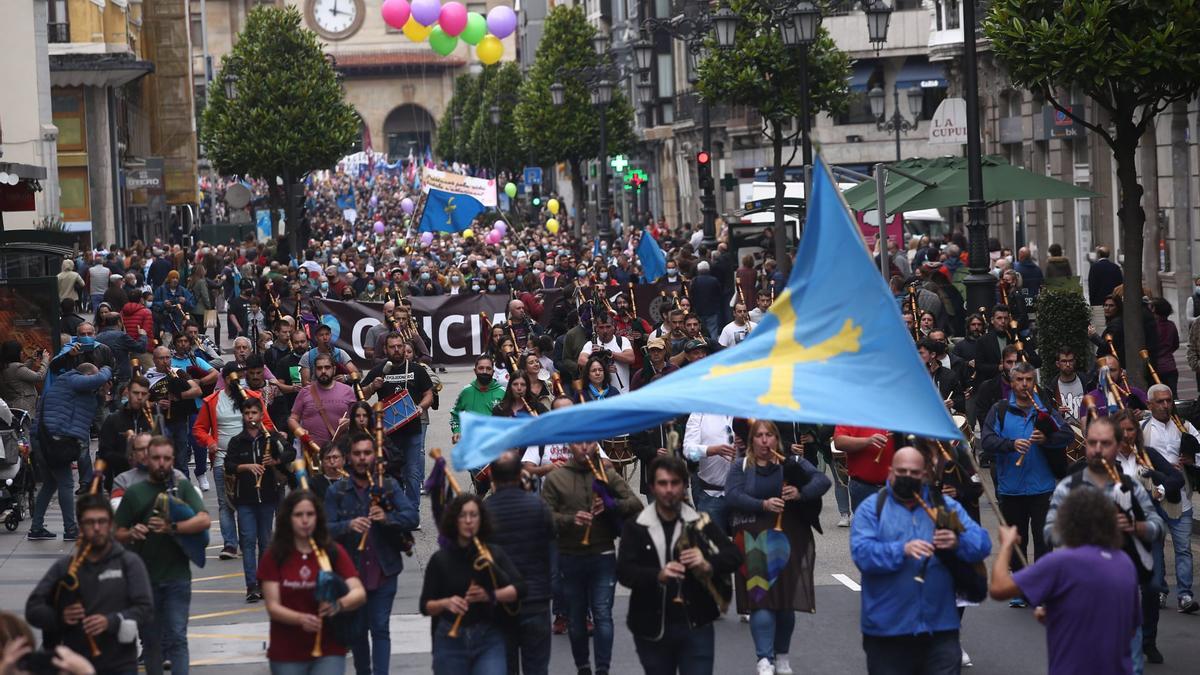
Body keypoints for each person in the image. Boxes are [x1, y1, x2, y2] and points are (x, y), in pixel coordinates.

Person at [850, 447, 991, 675]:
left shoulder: (943, 509)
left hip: (940, 627)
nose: (907, 476)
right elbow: (862, 555)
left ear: (925, 473)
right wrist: (902, 549)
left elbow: (981, 545)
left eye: (914, 472)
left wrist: (957, 542)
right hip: (888, 629)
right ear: (890, 471)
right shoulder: (873, 509)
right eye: (901, 471)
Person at [1040, 416, 1163, 670]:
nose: (1097, 449)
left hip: (1123, 592)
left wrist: (1135, 526)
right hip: (1080, 592)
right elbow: (1050, 532)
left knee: (1130, 664)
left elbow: (1157, 527)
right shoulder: (1069, 486)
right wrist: (1084, 530)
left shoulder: (1130, 487)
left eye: (1105, 443)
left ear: (1118, 445)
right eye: (1092, 442)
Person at [990, 487, 1139, 675]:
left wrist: (1006, 546)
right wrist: (1061, 616)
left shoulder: (1061, 563)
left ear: (1068, 521)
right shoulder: (1124, 563)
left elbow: (998, 588)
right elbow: (1130, 629)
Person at [616, 454, 742, 675]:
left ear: (684, 486)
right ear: (652, 488)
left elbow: (734, 556)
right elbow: (625, 572)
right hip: (652, 627)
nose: (669, 489)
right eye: (662, 483)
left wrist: (707, 564)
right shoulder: (636, 526)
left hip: (697, 623)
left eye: (675, 483)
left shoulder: (700, 522)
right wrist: (658, 575)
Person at [725, 421, 830, 675]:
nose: (764, 441)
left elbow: (822, 481)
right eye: (759, 436)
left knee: (784, 603)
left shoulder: (791, 461)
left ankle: (782, 656)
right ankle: (764, 659)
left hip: (790, 537)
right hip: (753, 537)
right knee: (761, 599)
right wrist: (762, 505)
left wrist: (799, 492)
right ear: (751, 440)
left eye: (768, 435)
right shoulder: (741, 465)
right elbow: (732, 495)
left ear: (776, 439)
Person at [541, 441, 643, 675]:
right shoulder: (557, 478)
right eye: (579, 443)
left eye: (589, 443)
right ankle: (583, 667)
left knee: (602, 613)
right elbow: (544, 517)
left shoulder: (605, 474)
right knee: (576, 618)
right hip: (570, 555)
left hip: (603, 554)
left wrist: (611, 505)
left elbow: (634, 503)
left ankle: (603, 669)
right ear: (570, 447)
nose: (584, 448)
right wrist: (570, 519)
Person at [25, 492, 153, 675]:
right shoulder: (66, 567)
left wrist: (111, 621)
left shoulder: (128, 563)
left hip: (120, 665)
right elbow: (33, 609)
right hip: (74, 664)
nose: (97, 528)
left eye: (102, 521)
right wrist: (60, 616)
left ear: (111, 525)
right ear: (81, 527)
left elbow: (145, 608)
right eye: (90, 522)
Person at [114, 435, 211, 675]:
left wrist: (173, 528)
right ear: (147, 459)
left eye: (167, 458)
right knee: (152, 642)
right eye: (156, 458)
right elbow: (115, 533)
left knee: (178, 637)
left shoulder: (182, 486)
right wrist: (131, 533)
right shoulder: (135, 492)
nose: (161, 463)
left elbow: (204, 519)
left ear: (173, 460)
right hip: (145, 580)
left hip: (177, 576)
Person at [325, 433, 419, 675]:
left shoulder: (388, 486)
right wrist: (347, 526)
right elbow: (323, 530)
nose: (362, 458)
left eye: (367, 453)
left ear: (374, 457)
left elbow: (411, 517)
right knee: (357, 631)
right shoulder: (337, 491)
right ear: (348, 458)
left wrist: (387, 518)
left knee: (380, 628)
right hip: (351, 574)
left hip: (384, 570)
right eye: (357, 454)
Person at [980, 360, 1071, 604]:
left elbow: (1068, 435)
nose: (1024, 385)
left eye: (1029, 380)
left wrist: (1047, 438)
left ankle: (1040, 588)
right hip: (1011, 488)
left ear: (1034, 382)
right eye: (1019, 380)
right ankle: (1020, 588)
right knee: (1017, 541)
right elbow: (987, 441)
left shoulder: (1044, 411)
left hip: (1042, 486)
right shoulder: (999, 410)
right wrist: (1010, 445)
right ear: (1011, 383)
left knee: (1044, 541)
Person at [259, 489, 367, 675]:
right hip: (287, 651)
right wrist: (300, 619)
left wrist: (338, 605)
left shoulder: (332, 551)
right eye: (298, 515)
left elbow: (358, 592)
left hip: (328, 648)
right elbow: (273, 607)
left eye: (310, 514)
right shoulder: (274, 555)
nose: (305, 520)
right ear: (288, 518)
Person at [420, 493, 524, 675]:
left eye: (474, 515)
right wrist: (445, 603)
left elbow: (520, 588)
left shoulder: (493, 553)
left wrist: (491, 595)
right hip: (450, 640)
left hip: (488, 636)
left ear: (481, 519)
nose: (468, 521)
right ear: (454, 520)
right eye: (463, 515)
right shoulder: (440, 559)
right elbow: (425, 605)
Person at [194, 363, 276, 559]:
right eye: (233, 377)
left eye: (240, 376)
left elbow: (267, 424)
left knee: (251, 501)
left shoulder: (252, 399)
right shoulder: (212, 401)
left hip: (253, 458)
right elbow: (199, 428)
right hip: (223, 458)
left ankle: (253, 538)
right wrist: (210, 443)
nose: (237, 380)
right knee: (225, 502)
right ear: (225, 378)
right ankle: (230, 544)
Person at [484, 451, 555, 675]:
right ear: (520, 475)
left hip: (501, 602)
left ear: (492, 478)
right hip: (536, 599)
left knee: (506, 666)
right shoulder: (538, 507)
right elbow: (551, 545)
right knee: (537, 667)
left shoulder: (485, 512)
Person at [28, 362, 112, 541]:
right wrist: (107, 370)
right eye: (94, 378)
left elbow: (93, 406)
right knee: (66, 484)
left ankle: (36, 528)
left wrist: (102, 392)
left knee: (50, 484)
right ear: (86, 376)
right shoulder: (71, 379)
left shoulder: (75, 389)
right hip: (53, 441)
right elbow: (100, 377)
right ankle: (71, 529)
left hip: (45, 440)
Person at [1140, 384, 1200, 615]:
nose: (1166, 405)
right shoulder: (1141, 429)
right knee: (1155, 547)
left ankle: (1185, 594)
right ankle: (1160, 590)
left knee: (1183, 548)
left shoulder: (1183, 427)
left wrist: (1190, 458)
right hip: (1153, 498)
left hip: (1181, 497)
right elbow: (1134, 459)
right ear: (1149, 405)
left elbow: (1198, 450)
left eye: (1168, 401)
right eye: (1160, 402)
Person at [226, 397, 292, 603]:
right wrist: (245, 467)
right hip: (245, 498)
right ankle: (251, 585)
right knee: (247, 541)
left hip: (267, 496)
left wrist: (275, 460)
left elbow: (291, 451)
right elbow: (228, 464)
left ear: (261, 414)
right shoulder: (237, 441)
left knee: (265, 542)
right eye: (247, 414)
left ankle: (264, 582)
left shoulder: (270, 438)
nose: (250, 417)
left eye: (254, 413)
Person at [360, 332, 435, 507]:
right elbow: (359, 395)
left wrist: (421, 407)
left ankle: (412, 511)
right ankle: (394, 509)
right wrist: (372, 386)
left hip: (412, 431)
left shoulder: (417, 369)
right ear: (385, 349)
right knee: (390, 473)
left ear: (404, 347)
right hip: (387, 434)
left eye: (399, 346)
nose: (396, 350)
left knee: (412, 473)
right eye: (392, 347)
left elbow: (429, 394)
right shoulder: (379, 370)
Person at [97, 375, 160, 490]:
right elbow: (104, 452)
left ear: (148, 396)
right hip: (120, 481)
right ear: (128, 393)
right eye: (136, 393)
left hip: (149, 481)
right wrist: (129, 458)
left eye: (143, 394)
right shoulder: (113, 419)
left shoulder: (154, 420)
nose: (139, 397)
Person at [682, 411, 737, 532]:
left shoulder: (743, 408)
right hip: (711, 495)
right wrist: (711, 450)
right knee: (712, 547)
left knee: (744, 547)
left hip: (742, 495)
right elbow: (688, 452)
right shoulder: (699, 413)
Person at [288, 353, 357, 450]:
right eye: (319, 368)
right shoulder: (305, 392)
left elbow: (358, 419)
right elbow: (292, 419)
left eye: (327, 367)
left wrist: (349, 422)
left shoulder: (348, 391)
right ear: (315, 370)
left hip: (341, 452)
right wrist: (300, 431)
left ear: (334, 369)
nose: (323, 371)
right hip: (312, 451)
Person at [833, 425, 896, 513]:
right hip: (863, 487)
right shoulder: (851, 413)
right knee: (865, 524)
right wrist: (868, 441)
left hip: (896, 486)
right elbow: (839, 442)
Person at [0, 340, 47, 413]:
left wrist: (31, 360)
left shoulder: (5, 366)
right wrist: (45, 361)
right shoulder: (16, 368)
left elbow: (22, 372)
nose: (22, 353)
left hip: (13, 406)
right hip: (24, 407)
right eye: (21, 351)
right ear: (14, 353)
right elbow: (39, 377)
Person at [1150, 298, 1180, 395]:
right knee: (1172, 395)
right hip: (1170, 366)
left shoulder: (1152, 326)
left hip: (1155, 367)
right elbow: (1176, 344)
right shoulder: (1171, 325)